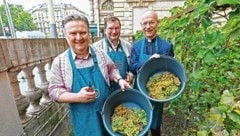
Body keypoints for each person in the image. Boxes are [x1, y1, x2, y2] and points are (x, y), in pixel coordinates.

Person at [48, 14, 131, 136]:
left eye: (83, 32)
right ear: (65, 35)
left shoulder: (100, 54)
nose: (78, 37)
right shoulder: (60, 62)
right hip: (84, 120)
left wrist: (119, 80)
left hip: (107, 113)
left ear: (88, 33)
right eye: (73, 33)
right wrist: (77, 97)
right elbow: (54, 92)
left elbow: (112, 69)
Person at [130, 10, 174, 136]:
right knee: (140, 124)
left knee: (155, 126)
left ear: (157, 23)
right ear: (141, 25)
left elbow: (170, 71)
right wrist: (148, 63)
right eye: (145, 23)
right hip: (139, 91)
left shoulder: (166, 46)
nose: (148, 26)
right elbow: (133, 67)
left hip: (158, 93)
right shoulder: (137, 46)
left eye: (151, 22)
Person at [93, 16, 133, 91]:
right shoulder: (96, 48)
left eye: (117, 28)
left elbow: (132, 65)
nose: (114, 31)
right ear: (105, 30)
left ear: (120, 29)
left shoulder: (128, 46)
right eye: (110, 28)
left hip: (124, 87)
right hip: (105, 88)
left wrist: (131, 75)